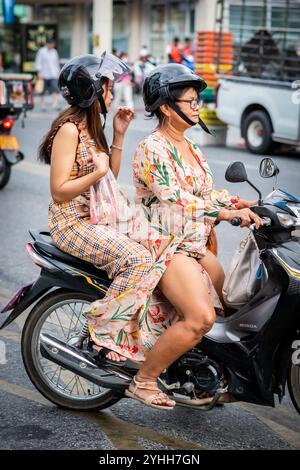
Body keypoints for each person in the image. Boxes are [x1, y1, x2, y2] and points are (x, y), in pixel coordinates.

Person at [84, 63, 262, 409]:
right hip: (164, 244)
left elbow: (205, 192)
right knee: (201, 318)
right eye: (191, 101)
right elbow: (176, 198)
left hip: (192, 243)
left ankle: (196, 376)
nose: (197, 107)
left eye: (198, 101)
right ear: (167, 107)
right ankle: (144, 380)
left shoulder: (190, 147)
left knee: (230, 309)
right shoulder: (153, 148)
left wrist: (243, 202)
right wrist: (226, 214)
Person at [38, 52, 154, 363]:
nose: (112, 92)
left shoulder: (91, 126)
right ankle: (104, 333)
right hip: (72, 223)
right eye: (108, 87)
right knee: (138, 258)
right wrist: (97, 172)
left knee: (157, 244)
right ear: (92, 89)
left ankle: (139, 326)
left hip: (95, 217)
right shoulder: (69, 130)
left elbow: (109, 176)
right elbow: (59, 191)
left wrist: (118, 134)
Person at [35, 38, 61, 111]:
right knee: (42, 90)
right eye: (50, 44)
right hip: (44, 74)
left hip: (53, 74)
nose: (51, 45)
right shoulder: (42, 51)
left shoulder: (54, 52)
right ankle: (42, 105)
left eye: (52, 44)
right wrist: (39, 73)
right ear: (47, 44)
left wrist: (58, 74)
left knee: (55, 89)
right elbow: (38, 62)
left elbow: (56, 63)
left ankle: (55, 104)